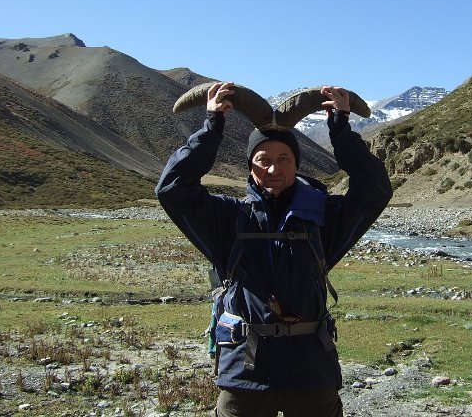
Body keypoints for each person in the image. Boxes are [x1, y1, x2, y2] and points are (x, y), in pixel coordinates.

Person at [156, 82, 393, 417]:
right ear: (249, 166)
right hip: (245, 374)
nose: (273, 169)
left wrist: (341, 131)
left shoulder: (323, 218)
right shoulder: (227, 219)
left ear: (297, 164)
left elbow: (375, 188)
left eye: (284, 159)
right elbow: (172, 189)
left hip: (311, 372)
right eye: (262, 159)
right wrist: (211, 129)